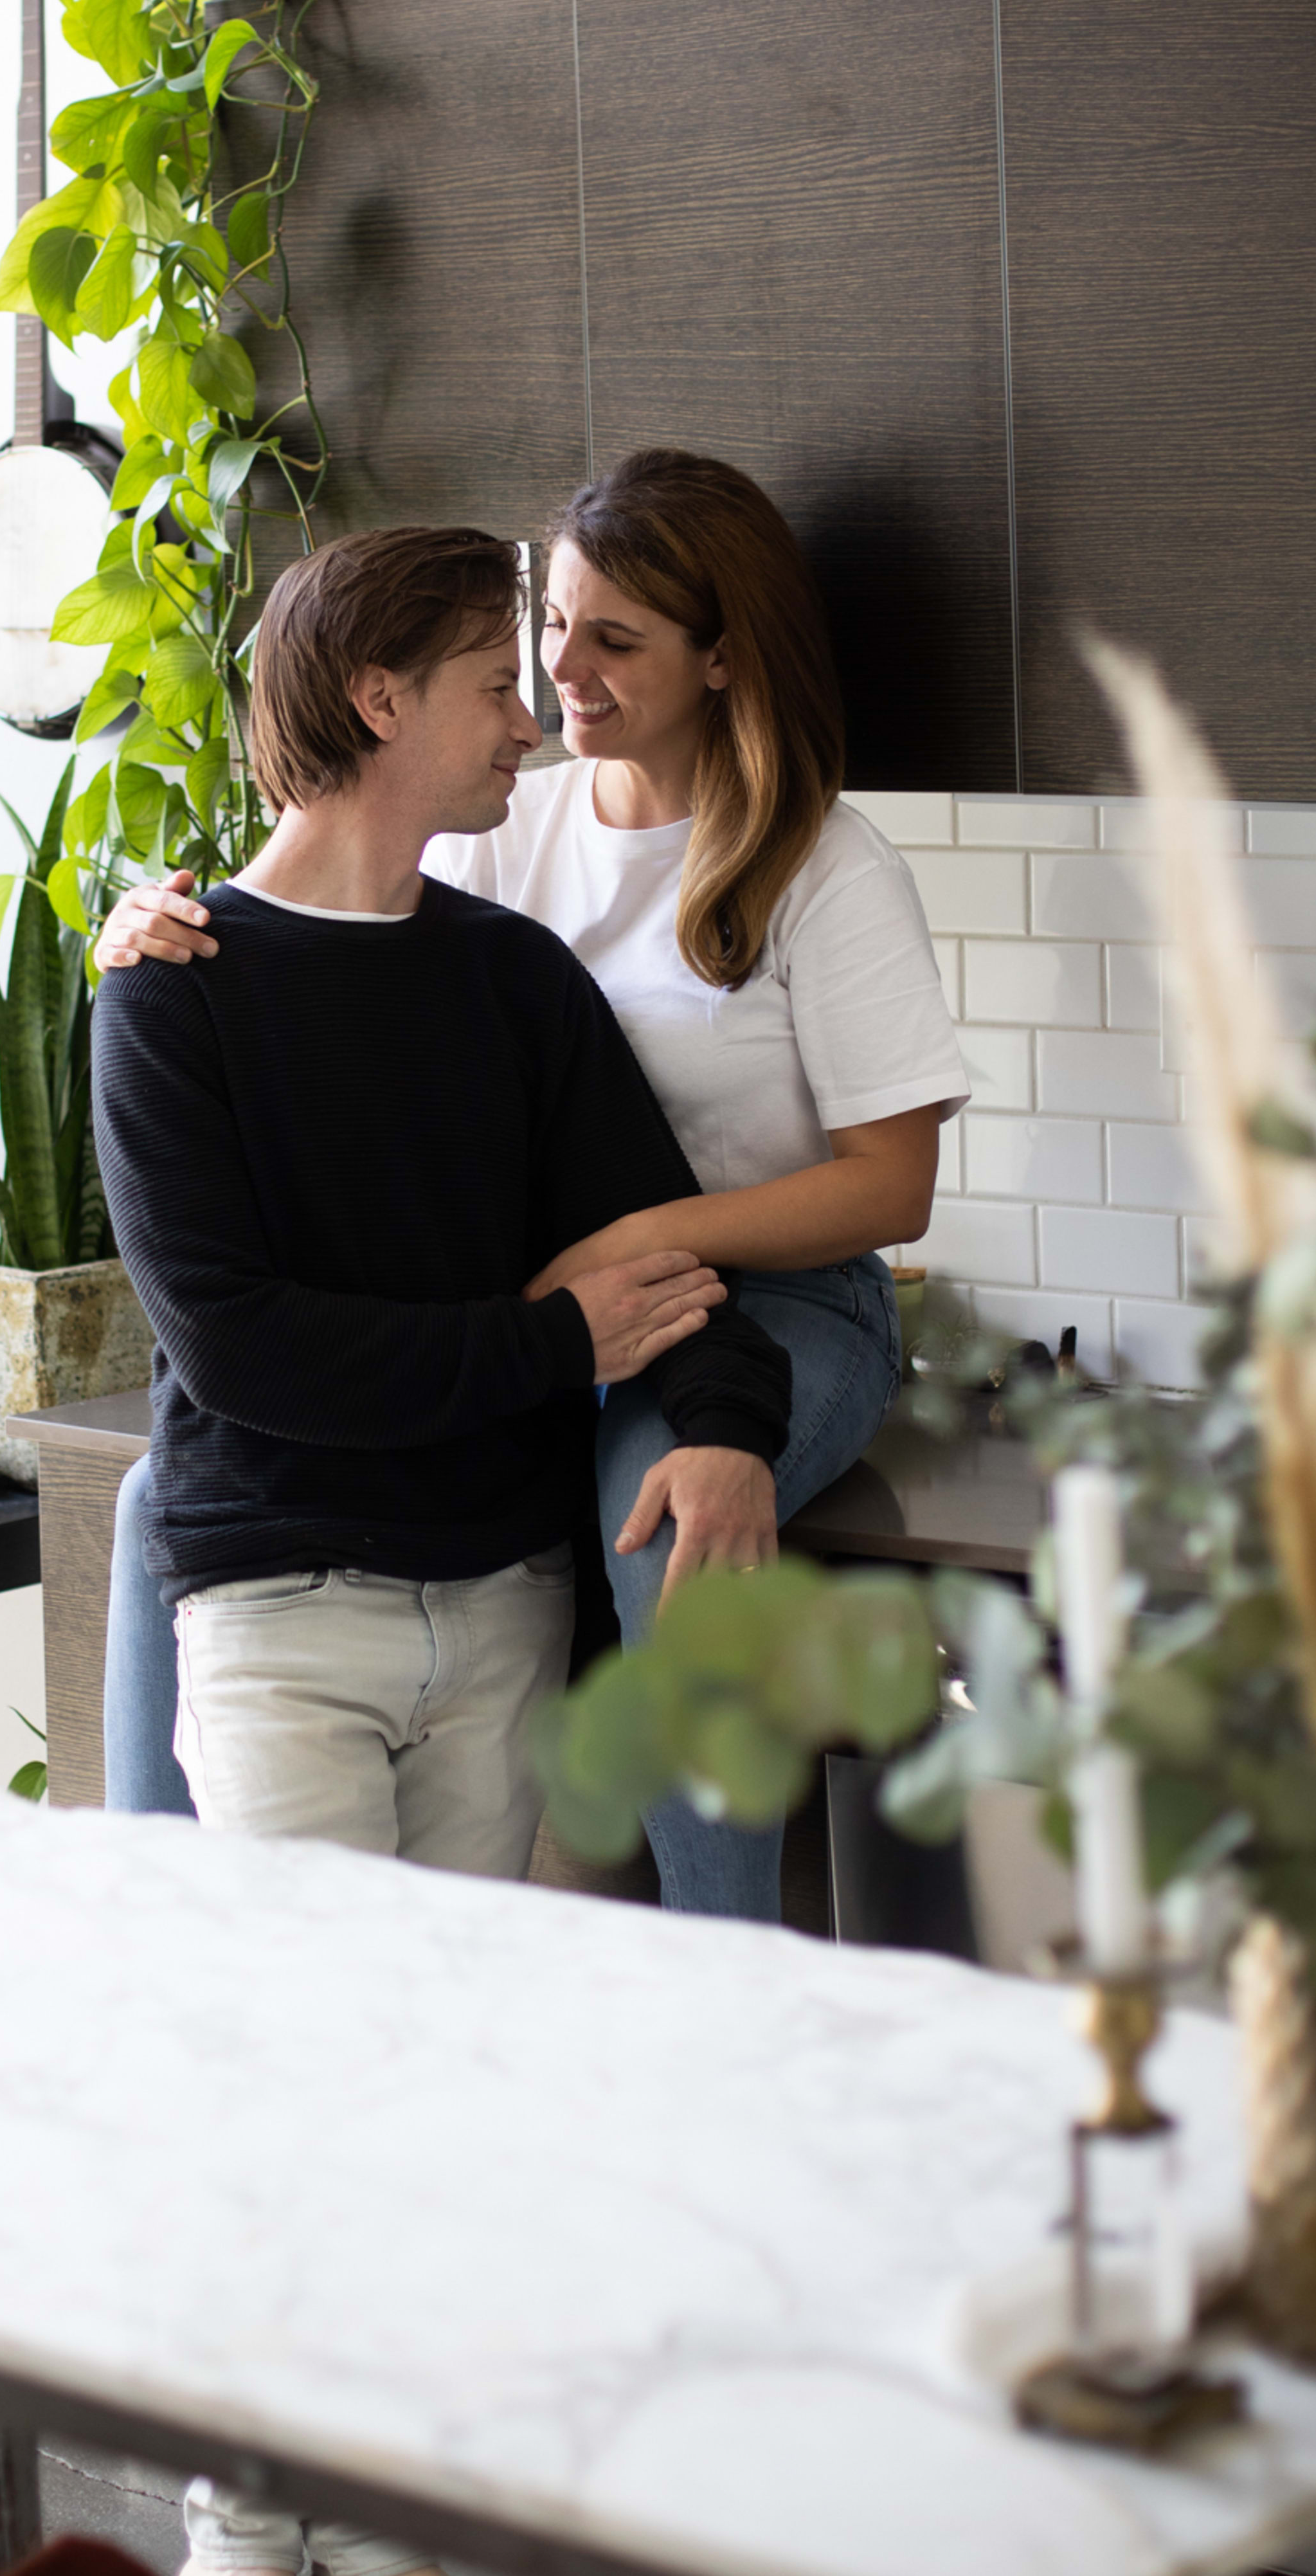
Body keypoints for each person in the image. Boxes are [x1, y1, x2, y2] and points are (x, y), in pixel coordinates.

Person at [91, 520, 791, 2576]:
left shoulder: (509, 985)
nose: (532, 718)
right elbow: (251, 1353)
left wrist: (727, 1419)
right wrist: (542, 1346)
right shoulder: (173, 986)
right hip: (277, 1608)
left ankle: (375, 2542)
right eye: (495, 679)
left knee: (419, 2098)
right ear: (380, 701)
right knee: (290, 2078)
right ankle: (237, 2540)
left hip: (487, 1611)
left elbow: (656, 1258)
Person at [99, 448, 969, 1919]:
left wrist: (643, 1285)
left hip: (765, 1292)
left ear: (718, 659)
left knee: (661, 1502)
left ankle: (721, 1955)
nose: (556, 681)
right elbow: (350, 930)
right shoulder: (511, 826)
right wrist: (166, 921)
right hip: (570, 1292)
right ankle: (139, 1919)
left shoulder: (823, 865)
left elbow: (890, 1190)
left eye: (608, 640)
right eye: (543, 635)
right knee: (159, 1498)